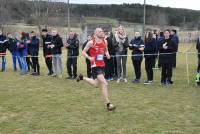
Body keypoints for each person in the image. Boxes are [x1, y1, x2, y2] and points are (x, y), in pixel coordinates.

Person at [76, 28, 116, 111]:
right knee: (105, 83)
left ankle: (82, 77)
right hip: (95, 65)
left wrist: (107, 54)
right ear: (96, 34)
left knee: (95, 84)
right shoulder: (91, 42)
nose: (102, 32)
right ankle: (108, 104)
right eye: (100, 31)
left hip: (102, 65)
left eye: (102, 31)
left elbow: (106, 50)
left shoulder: (105, 41)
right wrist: (89, 57)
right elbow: (83, 52)